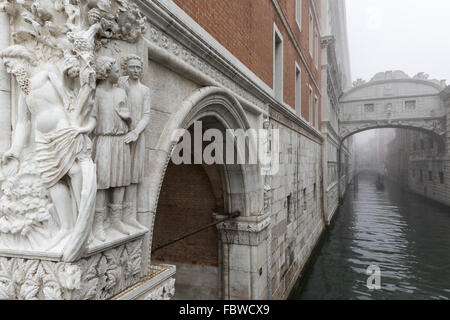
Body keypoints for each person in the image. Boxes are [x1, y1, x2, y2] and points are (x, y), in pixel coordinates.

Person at [0, 45, 97, 262]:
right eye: (7, 67)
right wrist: (15, 150)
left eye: (11, 64)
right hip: (41, 139)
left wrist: (79, 124)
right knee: (51, 180)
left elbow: (68, 97)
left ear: (22, 59)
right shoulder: (23, 93)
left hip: (62, 130)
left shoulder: (45, 73)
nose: (10, 70)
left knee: (73, 170)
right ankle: (66, 227)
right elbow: (23, 123)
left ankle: (84, 222)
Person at [91, 56, 132, 241]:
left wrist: (127, 118)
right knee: (102, 181)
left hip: (120, 140)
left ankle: (116, 219)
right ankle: (98, 223)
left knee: (121, 179)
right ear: (107, 73)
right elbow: (92, 118)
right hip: (104, 140)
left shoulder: (121, 93)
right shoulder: (97, 93)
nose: (119, 74)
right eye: (116, 71)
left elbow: (128, 117)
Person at [120, 54, 150, 229]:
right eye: (132, 67)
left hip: (137, 136)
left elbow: (146, 115)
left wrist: (137, 132)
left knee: (134, 175)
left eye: (138, 68)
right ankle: (116, 214)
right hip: (121, 134)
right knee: (120, 173)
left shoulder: (144, 90)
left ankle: (129, 214)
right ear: (126, 68)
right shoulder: (121, 85)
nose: (136, 71)